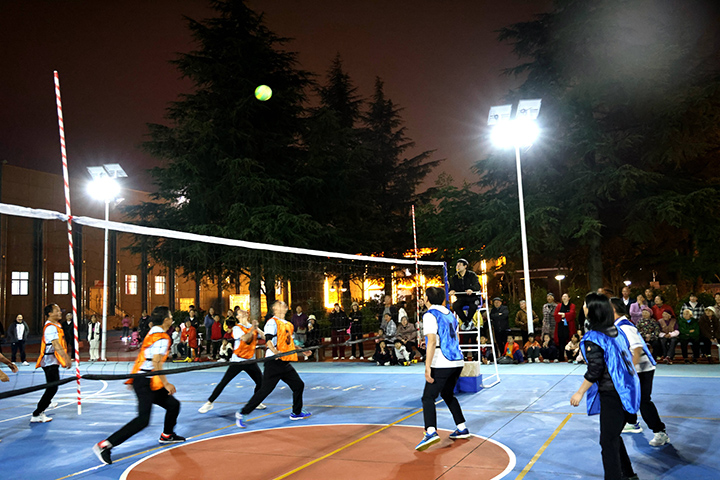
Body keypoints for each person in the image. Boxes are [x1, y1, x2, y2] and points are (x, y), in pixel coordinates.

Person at [93, 306, 185, 465]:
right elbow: (156, 363)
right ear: (166, 320)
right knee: (143, 420)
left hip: (145, 379)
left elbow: (145, 358)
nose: (172, 319)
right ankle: (105, 445)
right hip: (145, 381)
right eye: (170, 317)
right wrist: (166, 383)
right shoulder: (162, 338)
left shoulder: (153, 331)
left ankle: (167, 435)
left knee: (173, 405)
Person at [570, 293, 640, 480]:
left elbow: (595, 370)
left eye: (585, 304)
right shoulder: (616, 330)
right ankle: (629, 474)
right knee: (613, 436)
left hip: (613, 393)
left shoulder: (594, 337)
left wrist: (580, 392)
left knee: (608, 442)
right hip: (629, 389)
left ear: (592, 309)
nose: (583, 307)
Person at [235, 301, 311, 428]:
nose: (284, 305)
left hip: (284, 362)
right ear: (275, 308)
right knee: (264, 391)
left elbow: (289, 344)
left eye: (285, 304)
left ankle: (296, 412)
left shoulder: (288, 324)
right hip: (273, 362)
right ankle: (242, 413)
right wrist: (275, 352)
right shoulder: (272, 322)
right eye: (281, 304)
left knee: (298, 385)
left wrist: (302, 351)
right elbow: (268, 340)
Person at [610, 297, 669, 447]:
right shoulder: (618, 325)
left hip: (642, 369)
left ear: (613, 310)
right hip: (636, 368)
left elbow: (637, 349)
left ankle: (660, 432)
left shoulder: (625, 327)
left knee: (643, 401)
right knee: (628, 396)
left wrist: (630, 371)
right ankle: (632, 423)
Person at [416, 286, 468, 451]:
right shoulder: (450, 314)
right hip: (457, 360)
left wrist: (427, 366)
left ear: (427, 299)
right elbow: (455, 337)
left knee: (428, 397)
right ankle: (461, 427)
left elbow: (431, 341)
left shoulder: (429, 315)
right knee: (447, 393)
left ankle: (430, 431)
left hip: (442, 361)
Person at [199, 309, 267, 413]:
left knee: (261, 382)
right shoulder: (236, 328)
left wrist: (257, 328)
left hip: (250, 360)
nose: (244, 312)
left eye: (244, 311)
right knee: (224, 382)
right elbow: (245, 338)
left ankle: (256, 402)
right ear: (238, 317)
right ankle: (209, 403)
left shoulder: (252, 327)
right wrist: (253, 329)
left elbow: (265, 337)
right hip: (238, 361)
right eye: (240, 312)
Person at [32, 304, 72, 423]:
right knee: (52, 388)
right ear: (50, 313)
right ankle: (37, 413)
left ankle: (46, 403)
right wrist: (66, 358)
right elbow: (55, 344)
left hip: (53, 361)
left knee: (52, 387)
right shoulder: (50, 328)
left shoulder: (57, 325)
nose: (60, 313)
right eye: (57, 311)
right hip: (49, 362)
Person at [448, 259, 481, 326]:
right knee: (455, 306)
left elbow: (477, 286)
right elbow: (452, 287)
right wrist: (452, 290)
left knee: (473, 305)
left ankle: (467, 321)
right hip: (461, 298)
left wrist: (471, 289)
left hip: (472, 298)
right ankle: (466, 321)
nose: (457, 266)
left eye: (460, 265)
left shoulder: (472, 275)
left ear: (465, 266)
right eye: (457, 265)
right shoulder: (454, 278)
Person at [553, 294, 576, 361]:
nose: (564, 298)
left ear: (569, 298)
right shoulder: (559, 306)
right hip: (560, 326)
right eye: (563, 296)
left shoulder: (572, 305)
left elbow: (572, 314)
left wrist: (563, 314)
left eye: (565, 296)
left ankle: (570, 357)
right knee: (560, 341)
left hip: (569, 326)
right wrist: (565, 315)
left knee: (570, 339)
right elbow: (555, 314)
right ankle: (561, 357)